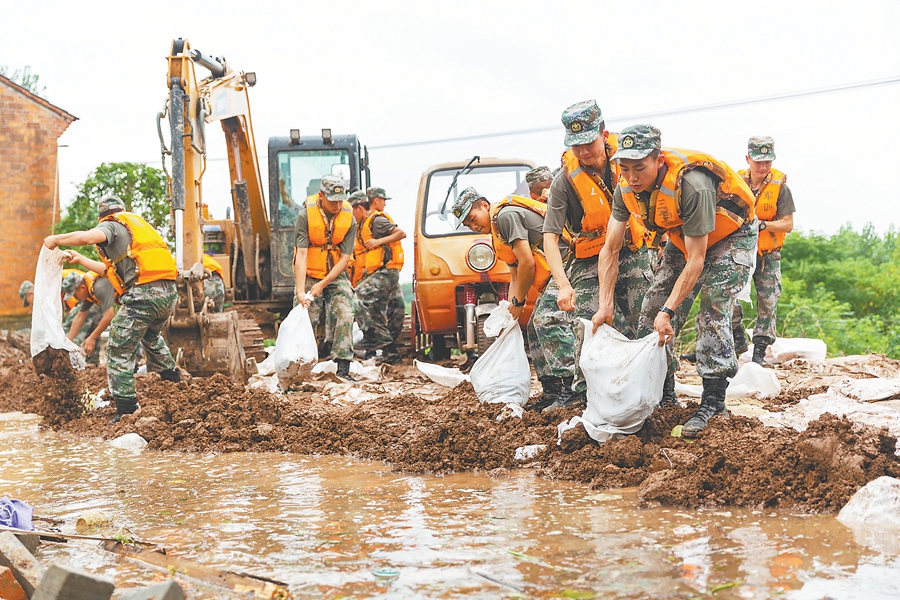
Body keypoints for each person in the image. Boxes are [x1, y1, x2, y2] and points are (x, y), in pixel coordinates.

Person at [592, 125, 758, 437]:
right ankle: (664, 397)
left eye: (640, 167)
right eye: (625, 169)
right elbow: (610, 249)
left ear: (659, 160)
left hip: (731, 235)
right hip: (686, 236)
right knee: (650, 311)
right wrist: (604, 305)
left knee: (712, 309)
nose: (632, 177)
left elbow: (697, 261)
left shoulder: (693, 185)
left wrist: (669, 312)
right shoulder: (625, 190)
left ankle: (713, 403)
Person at [540, 100, 652, 411]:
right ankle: (582, 393)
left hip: (631, 250)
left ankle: (663, 391)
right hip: (590, 259)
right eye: (575, 145)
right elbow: (550, 237)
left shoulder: (630, 164)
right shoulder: (564, 181)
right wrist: (564, 285)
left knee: (646, 318)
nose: (583, 151)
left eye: (588, 142)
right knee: (586, 322)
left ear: (603, 134)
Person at [44, 196, 181, 423]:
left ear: (102, 217)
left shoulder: (111, 224)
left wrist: (56, 239)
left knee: (118, 346)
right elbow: (108, 270)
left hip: (143, 295)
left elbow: (87, 237)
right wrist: (81, 259)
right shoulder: (134, 228)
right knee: (150, 336)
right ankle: (172, 380)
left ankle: (127, 408)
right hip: (168, 293)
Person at [452, 187, 575, 410]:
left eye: (472, 218)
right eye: (467, 225)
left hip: (568, 265)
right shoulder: (496, 231)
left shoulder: (505, 217)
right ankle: (552, 390)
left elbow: (528, 263)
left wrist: (519, 303)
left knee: (546, 320)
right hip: (554, 273)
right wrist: (510, 311)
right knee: (534, 327)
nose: (473, 226)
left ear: (484, 206)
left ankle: (572, 388)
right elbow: (515, 273)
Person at [293, 175, 357, 381]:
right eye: (332, 200)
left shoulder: (349, 219)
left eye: (340, 200)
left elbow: (345, 258)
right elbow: (301, 254)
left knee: (346, 312)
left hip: (334, 275)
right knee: (304, 317)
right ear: (321, 196)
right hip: (310, 274)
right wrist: (300, 291)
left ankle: (343, 369)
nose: (337, 205)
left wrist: (324, 283)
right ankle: (299, 370)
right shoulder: (305, 217)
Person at [738, 136, 795, 364]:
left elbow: (788, 224)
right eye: (758, 162)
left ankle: (759, 352)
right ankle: (735, 340)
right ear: (748, 159)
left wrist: (762, 225)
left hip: (767, 254)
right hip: (740, 251)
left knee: (768, 301)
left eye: (767, 162)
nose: (763, 167)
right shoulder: (736, 183)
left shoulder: (780, 188)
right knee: (726, 296)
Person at [354, 186, 406, 364]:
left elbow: (401, 233)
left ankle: (370, 337)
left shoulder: (377, 221)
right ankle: (390, 354)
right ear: (376, 200)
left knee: (356, 297)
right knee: (378, 313)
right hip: (380, 272)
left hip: (387, 272)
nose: (384, 203)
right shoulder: (367, 222)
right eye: (383, 200)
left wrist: (378, 241)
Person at [60, 268, 116, 365]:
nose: (75, 298)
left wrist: (92, 337)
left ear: (82, 288)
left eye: (75, 295)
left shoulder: (98, 287)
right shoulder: (88, 294)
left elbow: (110, 315)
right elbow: (79, 317)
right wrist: (67, 344)